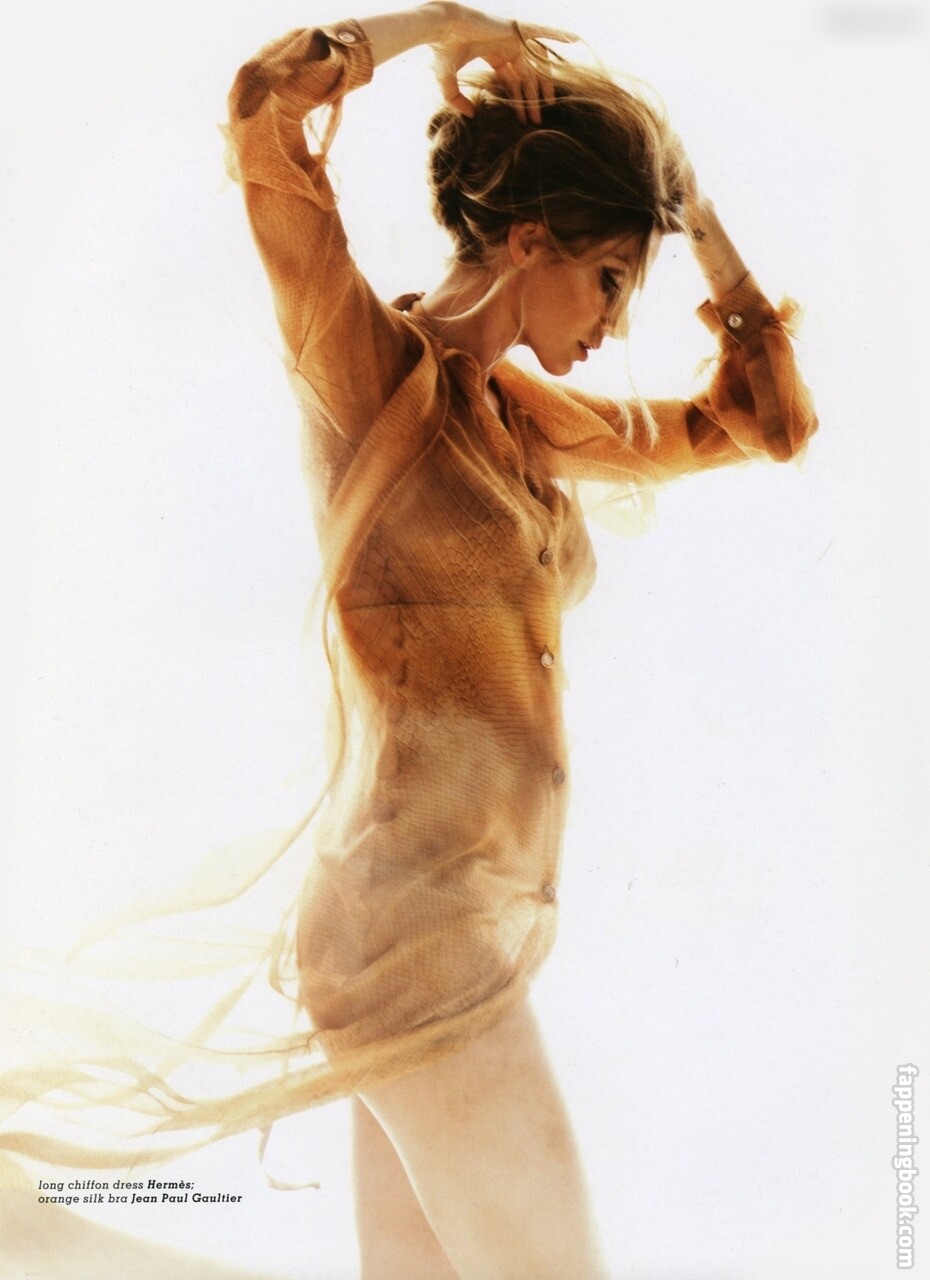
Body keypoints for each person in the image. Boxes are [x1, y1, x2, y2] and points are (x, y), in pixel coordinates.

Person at [0, 4, 815, 1278]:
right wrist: (447, 21)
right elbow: (263, 106)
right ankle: (43, 1238)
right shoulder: (366, 366)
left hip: (448, 927)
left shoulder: (521, 419)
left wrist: (685, 202)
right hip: (409, 937)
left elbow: (766, 421)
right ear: (529, 240)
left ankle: (42, 1239)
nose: (614, 321)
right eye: (611, 276)